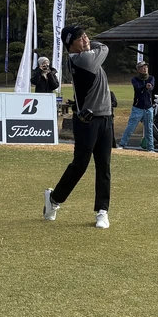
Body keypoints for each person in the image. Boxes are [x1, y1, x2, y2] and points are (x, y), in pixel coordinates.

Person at [43, 25, 112, 229]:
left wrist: (89, 43)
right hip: (87, 121)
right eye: (80, 38)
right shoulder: (83, 60)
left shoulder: (86, 55)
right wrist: (93, 45)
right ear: (70, 45)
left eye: (86, 36)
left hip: (105, 116)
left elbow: (97, 47)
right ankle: (54, 199)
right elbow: (105, 48)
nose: (85, 40)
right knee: (80, 165)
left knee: (104, 166)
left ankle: (102, 211)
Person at [117, 61, 155, 152]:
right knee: (130, 127)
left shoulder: (151, 78)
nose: (145, 69)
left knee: (149, 129)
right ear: (138, 70)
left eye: (146, 67)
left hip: (148, 108)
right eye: (143, 67)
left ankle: (150, 148)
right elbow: (138, 88)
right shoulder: (135, 79)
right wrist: (144, 86)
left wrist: (149, 86)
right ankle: (122, 144)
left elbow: (152, 87)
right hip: (137, 108)